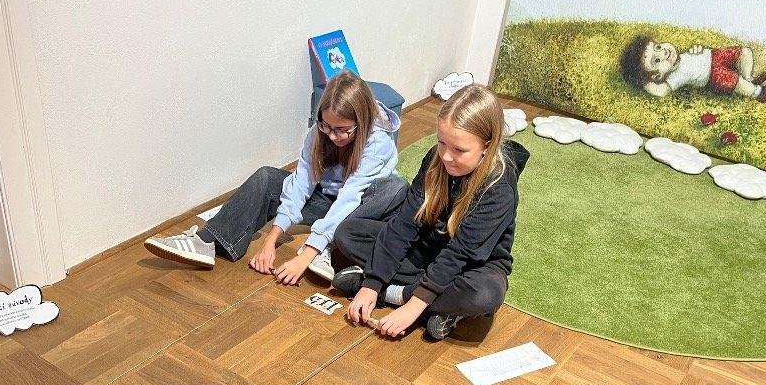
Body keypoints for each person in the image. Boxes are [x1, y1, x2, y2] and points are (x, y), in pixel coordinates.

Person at [144, 70, 406, 285]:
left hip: (360, 209)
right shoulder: (319, 133)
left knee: (395, 188)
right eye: (326, 126)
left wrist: (307, 254)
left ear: (362, 122)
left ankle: (325, 249)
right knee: (267, 177)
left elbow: (349, 198)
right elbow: (301, 182)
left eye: (342, 130)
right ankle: (209, 240)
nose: (332, 135)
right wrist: (271, 240)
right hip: (326, 199)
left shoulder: (378, 143)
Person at [331, 84, 529, 341]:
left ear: (487, 146)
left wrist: (412, 305)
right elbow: (404, 224)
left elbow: (461, 253)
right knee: (348, 232)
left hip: (470, 267)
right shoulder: (436, 161)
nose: (446, 156)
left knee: (484, 294)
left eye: (459, 150)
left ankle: (396, 294)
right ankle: (442, 309)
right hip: (425, 253)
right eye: (441, 143)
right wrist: (372, 283)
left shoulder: (499, 188)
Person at [620, 36, 766, 102]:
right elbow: (662, 91)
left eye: (658, 47)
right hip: (713, 75)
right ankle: (758, 92)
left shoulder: (680, 55)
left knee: (745, 52)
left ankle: (749, 78)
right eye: (656, 60)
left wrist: (697, 50)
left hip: (715, 56)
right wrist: (644, 82)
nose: (663, 53)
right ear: (657, 76)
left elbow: (694, 58)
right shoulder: (675, 77)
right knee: (735, 81)